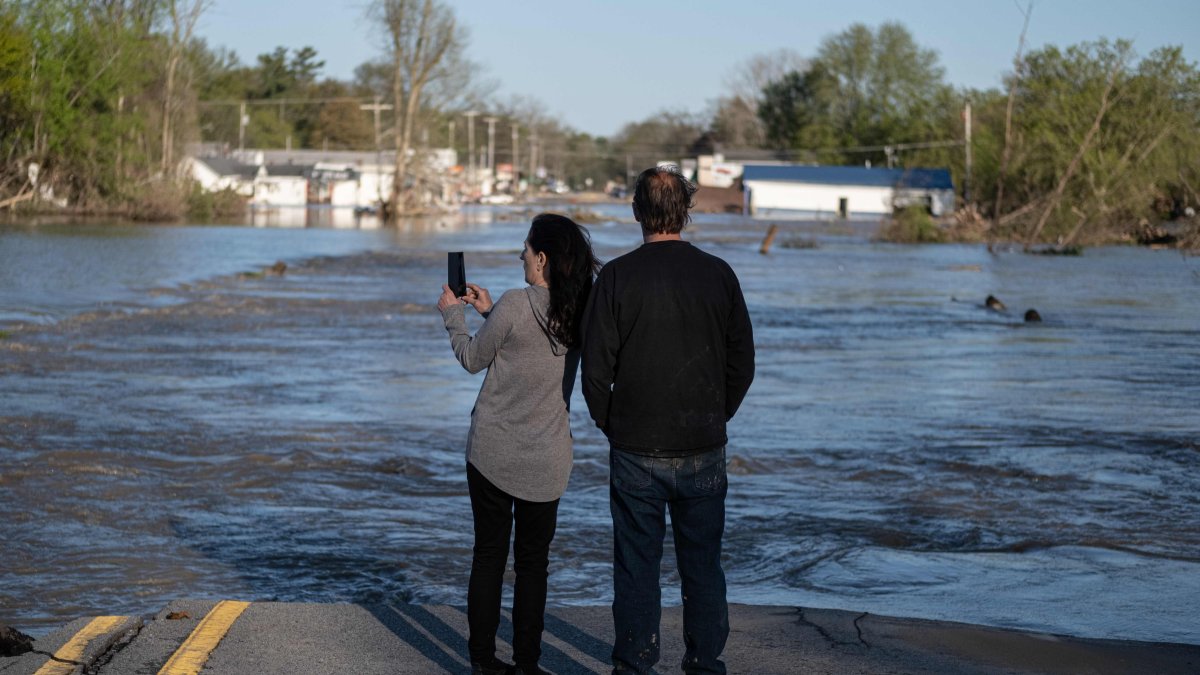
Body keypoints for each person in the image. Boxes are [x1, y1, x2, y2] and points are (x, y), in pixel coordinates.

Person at [582, 166, 755, 675]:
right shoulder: (718, 273)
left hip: (636, 445)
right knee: (702, 565)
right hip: (703, 442)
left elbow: (595, 372)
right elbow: (741, 362)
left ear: (636, 211)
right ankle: (704, 664)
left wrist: (613, 424)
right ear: (687, 211)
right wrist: (716, 414)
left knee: (637, 567)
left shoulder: (615, 277)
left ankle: (634, 664)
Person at [438, 213, 600, 675]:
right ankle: (527, 664)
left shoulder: (514, 303)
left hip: (492, 453)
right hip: (548, 460)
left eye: (525, 250)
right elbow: (531, 342)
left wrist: (454, 316)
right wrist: (490, 313)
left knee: (489, 556)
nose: (520, 256)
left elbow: (472, 358)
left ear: (542, 258)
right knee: (534, 567)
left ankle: (483, 662)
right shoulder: (578, 310)